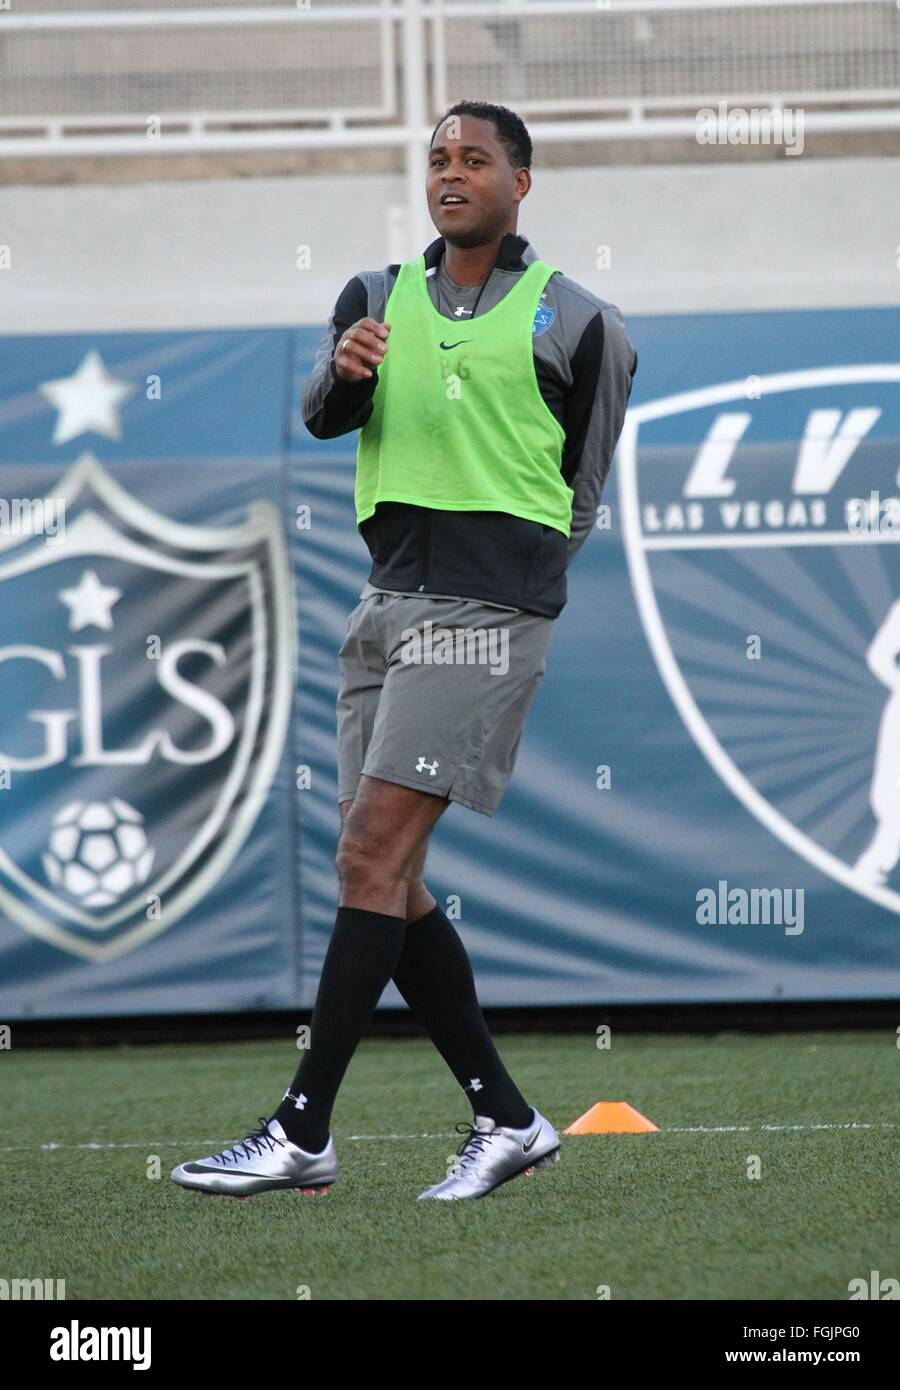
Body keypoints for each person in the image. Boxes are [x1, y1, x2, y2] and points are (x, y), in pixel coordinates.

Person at [171, 99, 637, 1202]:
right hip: (383, 607)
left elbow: (584, 487)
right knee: (379, 869)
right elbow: (323, 419)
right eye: (436, 159)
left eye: (475, 159)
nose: (451, 174)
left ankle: (301, 1128)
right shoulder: (372, 297)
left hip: (483, 618)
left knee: (373, 856)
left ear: (521, 181)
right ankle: (508, 1118)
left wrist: (521, 594)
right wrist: (347, 370)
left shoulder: (581, 320)